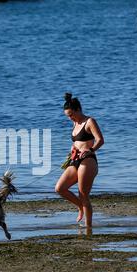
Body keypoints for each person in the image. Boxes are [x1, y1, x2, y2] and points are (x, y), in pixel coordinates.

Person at [55, 92, 104, 230]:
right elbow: (77, 142)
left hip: (88, 160)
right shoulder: (75, 123)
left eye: (71, 114)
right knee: (60, 188)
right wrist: (72, 151)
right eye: (68, 116)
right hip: (75, 159)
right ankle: (80, 207)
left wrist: (91, 150)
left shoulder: (90, 121)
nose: (70, 118)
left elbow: (100, 140)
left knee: (83, 194)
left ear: (78, 109)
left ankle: (88, 227)